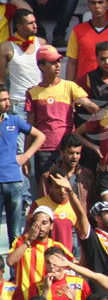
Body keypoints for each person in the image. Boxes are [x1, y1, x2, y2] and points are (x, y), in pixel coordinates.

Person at [26, 45, 99, 178]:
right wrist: (26, 154)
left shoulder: (69, 86)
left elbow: (84, 100)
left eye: (58, 61)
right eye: (53, 62)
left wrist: (90, 105)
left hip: (68, 148)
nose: (58, 65)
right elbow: (30, 127)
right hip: (44, 149)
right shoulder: (33, 92)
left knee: (70, 187)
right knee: (46, 189)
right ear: (41, 66)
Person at [0, 84, 44, 245]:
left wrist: (25, 156)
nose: (7, 103)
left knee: (15, 233)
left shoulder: (14, 120)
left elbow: (40, 136)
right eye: (2, 100)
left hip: (14, 181)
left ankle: (15, 270)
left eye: (7, 99)